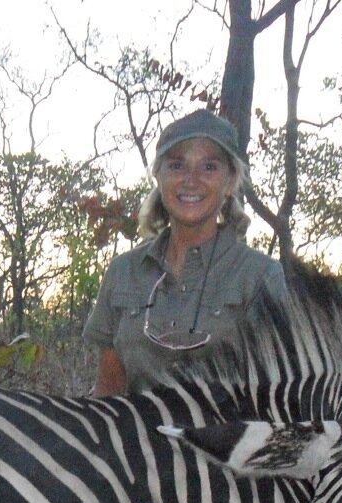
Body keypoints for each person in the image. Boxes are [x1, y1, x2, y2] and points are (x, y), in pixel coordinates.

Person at [85, 110, 287, 396]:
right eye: (177, 165)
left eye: (209, 167)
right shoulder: (123, 272)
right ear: (159, 176)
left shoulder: (261, 277)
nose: (191, 181)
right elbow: (109, 390)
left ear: (230, 181)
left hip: (225, 439)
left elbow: (274, 398)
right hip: (130, 439)